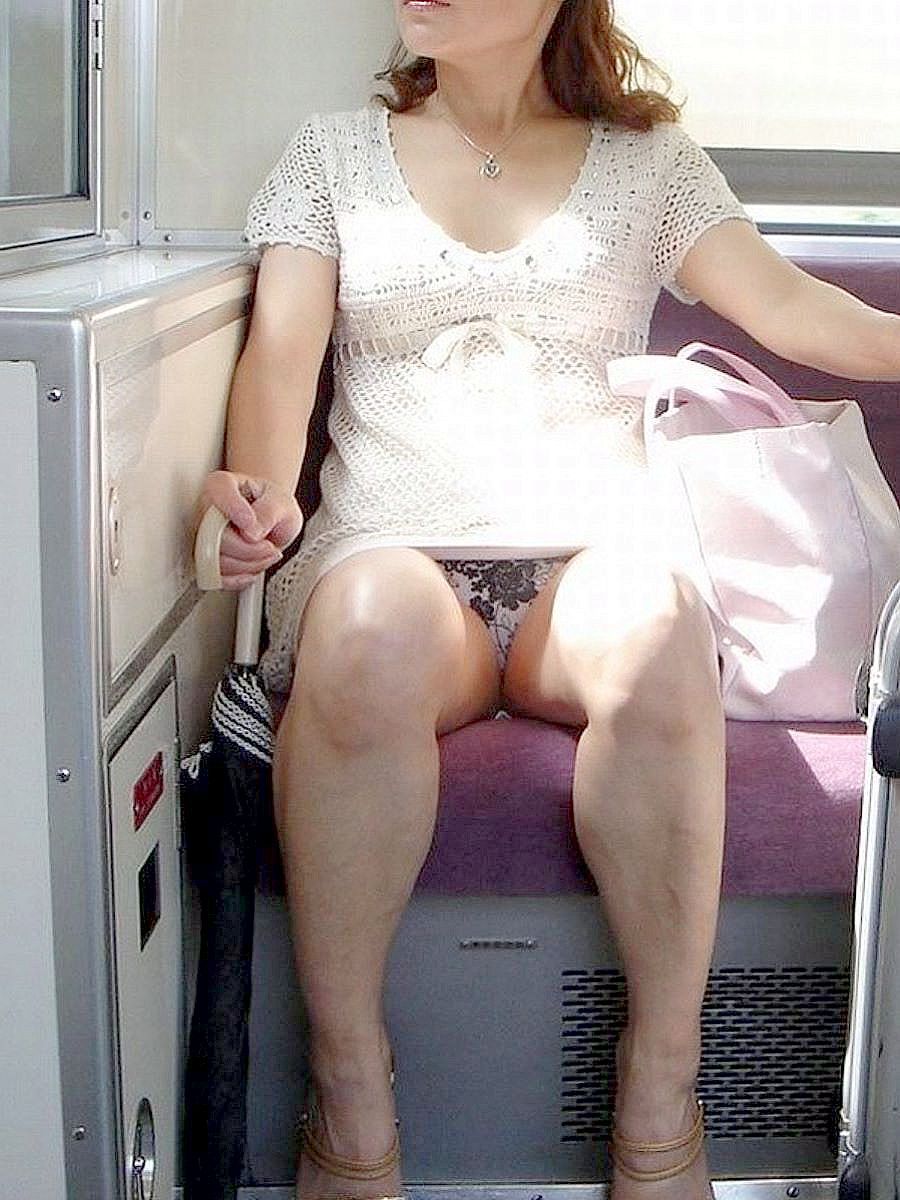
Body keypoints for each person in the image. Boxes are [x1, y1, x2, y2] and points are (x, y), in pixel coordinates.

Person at [200, 2, 900, 1198]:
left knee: (659, 621)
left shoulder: (649, 165)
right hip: (396, 556)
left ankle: (661, 1093)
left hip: (589, 555)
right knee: (362, 630)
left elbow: (791, 312)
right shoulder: (330, 155)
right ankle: (351, 1091)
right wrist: (257, 500)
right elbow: (280, 356)